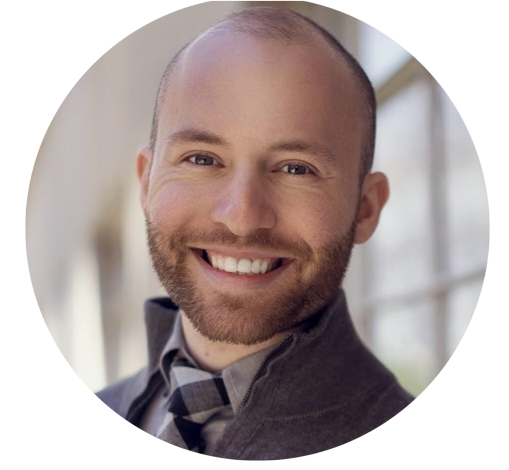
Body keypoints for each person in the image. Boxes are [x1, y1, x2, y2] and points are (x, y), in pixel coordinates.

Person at [64, 6, 445, 458]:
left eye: (296, 169)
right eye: (202, 159)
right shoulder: (80, 428)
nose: (241, 217)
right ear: (146, 183)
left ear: (365, 209)